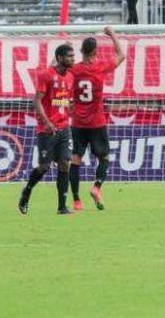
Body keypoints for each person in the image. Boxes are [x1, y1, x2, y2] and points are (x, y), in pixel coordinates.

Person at [68, 28, 125, 212]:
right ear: (95, 52)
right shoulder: (99, 67)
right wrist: (112, 34)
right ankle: (96, 187)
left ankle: (76, 201)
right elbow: (121, 55)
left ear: (81, 51)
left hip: (78, 122)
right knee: (104, 157)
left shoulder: (74, 69)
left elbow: (57, 67)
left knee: (75, 159)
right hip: (96, 122)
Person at [18, 44, 76, 215]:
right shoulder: (46, 75)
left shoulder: (71, 77)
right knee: (44, 167)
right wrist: (46, 122)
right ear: (59, 58)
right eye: (69, 56)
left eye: (73, 56)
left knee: (65, 164)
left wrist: (68, 106)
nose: (73, 59)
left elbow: (60, 101)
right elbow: (37, 101)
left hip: (64, 127)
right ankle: (26, 191)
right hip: (47, 130)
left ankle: (62, 207)